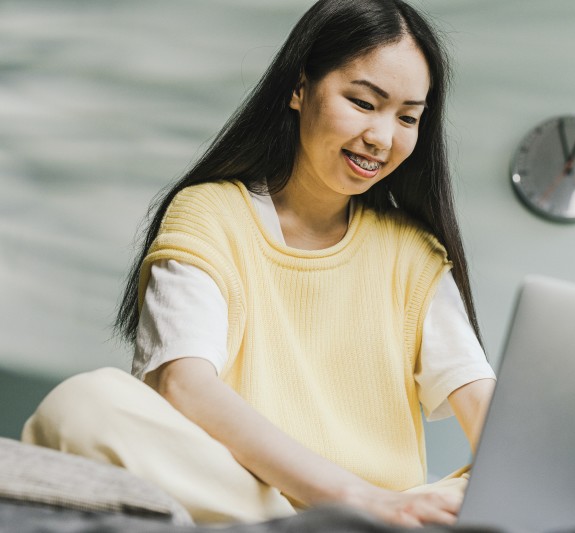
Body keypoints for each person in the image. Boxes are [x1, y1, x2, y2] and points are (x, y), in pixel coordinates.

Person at [22, 0, 495, 527]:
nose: (383, 138)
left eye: (408, 117)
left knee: (506, 477)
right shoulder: (211, 213)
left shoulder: (414, 253)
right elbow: (185, 385)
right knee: (86, 405)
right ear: (299, 89)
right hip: (261, 497)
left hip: (384, 513)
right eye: (363, 103)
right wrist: (354, 500)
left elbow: (489, 414)